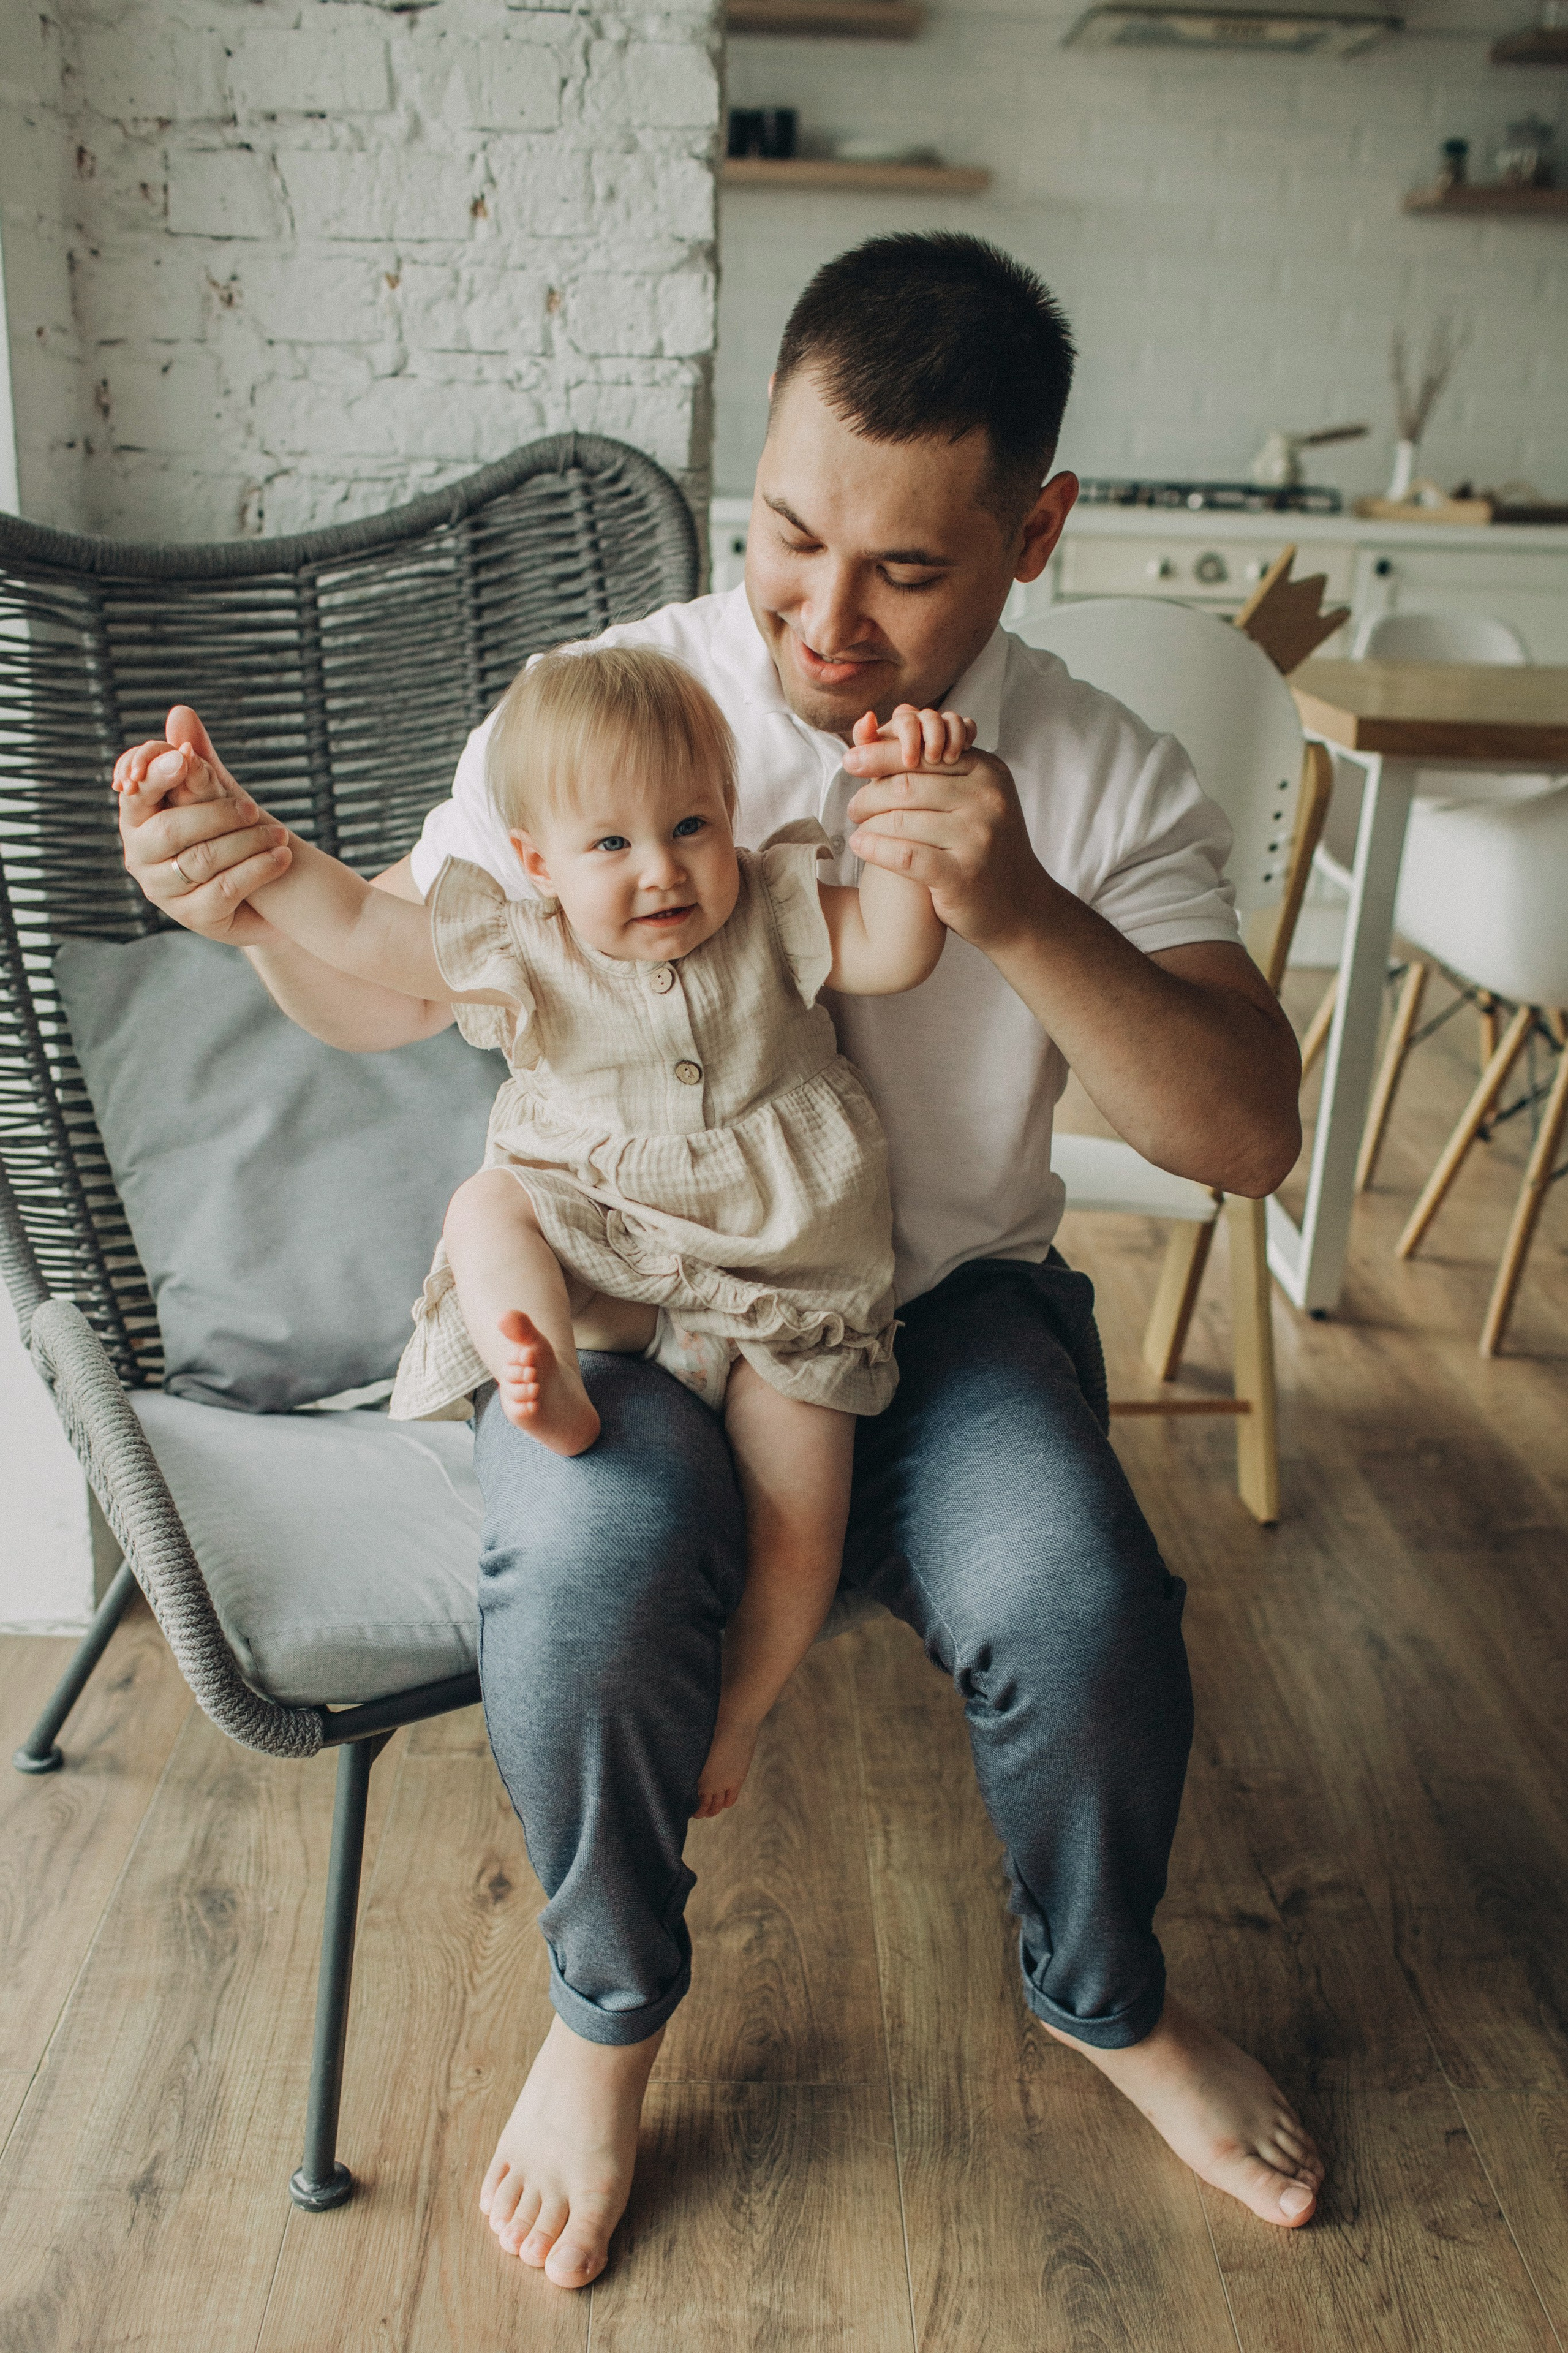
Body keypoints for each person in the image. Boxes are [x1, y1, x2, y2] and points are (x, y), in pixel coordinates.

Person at [118, 231, 1325, 2288]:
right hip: (625, 1298)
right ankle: (605, 2014)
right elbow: (402, 985)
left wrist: (1019, 906)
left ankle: (1103, 1991)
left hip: (937, 1314)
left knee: (1087, 1599)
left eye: (907, 572)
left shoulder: (1104, 768)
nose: (824, 621)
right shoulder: (610, 715)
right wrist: (253, 911)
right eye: (786, 537)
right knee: (579, 1579)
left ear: (1032, 530)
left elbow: (1246, 1134)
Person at [115, 643, 960, 1817]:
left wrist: (900, 812)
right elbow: (360, 923)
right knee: (487, 1203)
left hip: (784, 1278)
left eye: (691, 826)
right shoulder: (524, 940)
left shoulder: (773, 904)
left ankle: (742, 1713)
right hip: (605, 1258)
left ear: (731, 819)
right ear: (535, 863)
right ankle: (546, 1366)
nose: (662, 870)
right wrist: (249, 835)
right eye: (611, 845)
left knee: (801, 1524)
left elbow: (899, 944)